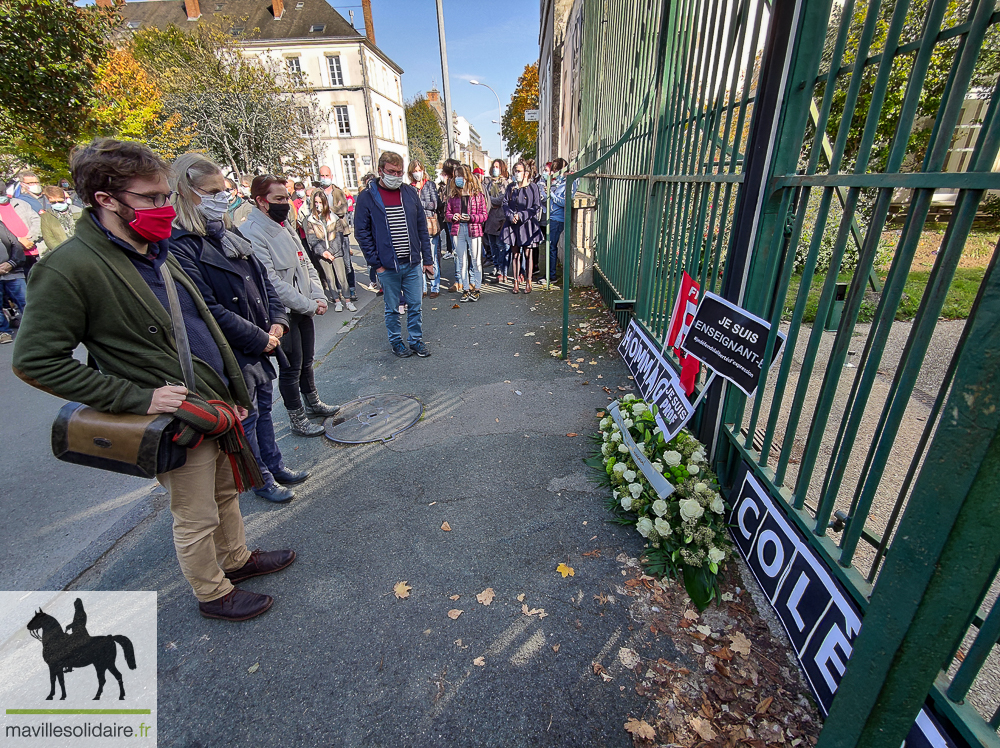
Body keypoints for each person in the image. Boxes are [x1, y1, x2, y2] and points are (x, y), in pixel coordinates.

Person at [12, 138, 294, 621]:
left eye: (166, 196)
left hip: (214, 405)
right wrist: (138, 398)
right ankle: (212, 592)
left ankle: (237, 560)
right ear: (105, 199)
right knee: (195, 513)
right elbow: (36, 360)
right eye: (150, 197)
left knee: (225, 491)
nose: (164, 207)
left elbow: (201, 323)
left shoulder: (156, 249)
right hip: (174, 415)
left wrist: (233, 390)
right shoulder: (69, 268)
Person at [168, 152, 310, 504]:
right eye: (212, 191)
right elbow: (207, 307)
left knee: (264, 411)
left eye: (224, 190)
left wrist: (277, 321)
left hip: (261, 339)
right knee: (247, 419)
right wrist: (259, 337)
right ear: (186, 192)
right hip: (233, 350)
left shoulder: (226, 230)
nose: (222, 197)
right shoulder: (182, 244)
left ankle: (274, 465)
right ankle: (260, 477)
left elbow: (263, 281)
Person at [241, 174, 340, 437]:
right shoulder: (252, 231)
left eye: (286, 197)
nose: (286, 203)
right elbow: (271, 282)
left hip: (303, 306)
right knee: (290, 367)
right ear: (262, 201)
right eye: (279, 199)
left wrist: (318, 296)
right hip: (282, 313)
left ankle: (313, 403)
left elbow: (305, 263)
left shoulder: (283, 224)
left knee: (307, 360)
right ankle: (297, 418)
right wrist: (309, 304)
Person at [354, 151, 433, 358]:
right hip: (387, 266)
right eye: (391, 172)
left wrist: (428, 259)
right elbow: (362, 233)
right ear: (381, 171)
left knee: (415, 305)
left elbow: (421, 227)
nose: (396, 176)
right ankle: (396, 341)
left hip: (412, 262)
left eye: (399, 172)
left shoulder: (408, 193)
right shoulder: (367, 197)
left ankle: (415, 340)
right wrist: (376, 264)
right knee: (392, 308)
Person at [305, 190, 354, 312]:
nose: (318, 205)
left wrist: (331, 251)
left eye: (320, 202)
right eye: (316, 202)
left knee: (342, 277)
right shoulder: (311, 220)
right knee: (330, 278)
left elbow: (339, 237)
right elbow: (312, 239)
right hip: (322, 253)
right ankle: (337, 300)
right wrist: (323, 253)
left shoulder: (334, 218)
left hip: (336, 252)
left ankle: (347, 300)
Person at [445, 165, 488, 302]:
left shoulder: (477, 195)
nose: (458, 179)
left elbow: (484, 215)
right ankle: (465, 288)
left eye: (460, 176)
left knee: (475, 260)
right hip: (458, 229)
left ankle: (477, 288)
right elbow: (447, 214)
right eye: (456, 176)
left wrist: (471, 218)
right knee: (461, 260)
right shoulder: (453, 196)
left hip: (473, 228)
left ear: (467, 177)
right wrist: (453, 217)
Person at [502, 159, 544, 294]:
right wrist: (511, 215)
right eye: (515, 171)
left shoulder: (533, 187)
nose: (516, 174)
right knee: (515, 254)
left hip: (528, 224)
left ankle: (529, 281)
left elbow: (536, 206)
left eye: (519, 171)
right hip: (513, 225)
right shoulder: (511, 187)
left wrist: (522, 215)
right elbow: (505, 204)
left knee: (528, 253)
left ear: (526, 173)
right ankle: (515, 282)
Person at [409, 160, 441, 298]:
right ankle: (422, 287)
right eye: (415, 170)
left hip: (430, 224)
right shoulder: (409, 188)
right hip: (415, 227)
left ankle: (435, 286)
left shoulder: (430, 185)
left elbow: (434, 204)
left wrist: (418, 203)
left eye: (419, 169)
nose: (417, 173)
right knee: (419, 259)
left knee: (432, 256)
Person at [482, 158, 510, 285]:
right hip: (490, 218)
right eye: (494, 166)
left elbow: (500, 200)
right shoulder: (489, 183)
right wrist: (490, 201)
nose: (495, 169)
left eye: (498, 166)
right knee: (492, 246)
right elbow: (484, 198)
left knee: (501, 246)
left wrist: (489, 200)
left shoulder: (505, 183)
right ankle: (497, 268)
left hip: (501, 218)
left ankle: (502, 272)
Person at [0, 190, 42, 274]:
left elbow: (37, 221)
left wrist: (31, 239)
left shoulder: (20, 203)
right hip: (13, 258)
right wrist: (18, 241)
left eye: (2, 193)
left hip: (34, 251)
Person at [0, 219, 25, 344]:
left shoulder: (0, 225)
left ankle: (36, 327)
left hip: (13, 271)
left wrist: (11, 263)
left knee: (26, 300)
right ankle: (3, 332)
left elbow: (15, 244)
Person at [545, 158, 569, 283]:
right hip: (552, 217)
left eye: (555, 170)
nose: (554, 173)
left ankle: (552, 276)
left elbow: (564, 202)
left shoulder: (568, 183)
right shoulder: (559, 183)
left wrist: (552, 195)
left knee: (551, 247)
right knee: (550, 247)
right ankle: (549, 274)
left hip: (557, 219)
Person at [40, 186, 82, 251]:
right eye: (53, 202)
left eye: (60, 201)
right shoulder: (46, 217)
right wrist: (63, 251)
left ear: (65, 199)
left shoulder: (79, 211)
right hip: (63, 252)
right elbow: (49, 239)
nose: (57, 204)